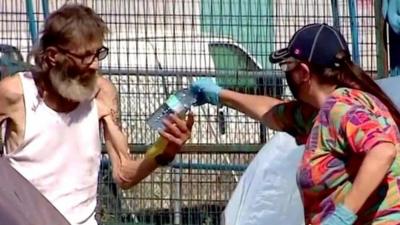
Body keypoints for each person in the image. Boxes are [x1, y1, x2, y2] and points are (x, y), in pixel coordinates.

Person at [0, 4, 193, 225]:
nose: (96, 65)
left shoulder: (103, 93)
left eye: (99, 53)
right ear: (53, 55)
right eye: (86, 56)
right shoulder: (14, 94)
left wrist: (165, 152)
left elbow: (125, 175)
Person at [191, 23, 400, 225]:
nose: (285, 73)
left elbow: (382, 151)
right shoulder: (319, 113)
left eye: (287, 66)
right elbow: (272, 112)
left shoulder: (342, 107)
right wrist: (219, 94)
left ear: (303, 72)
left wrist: (344, 215)